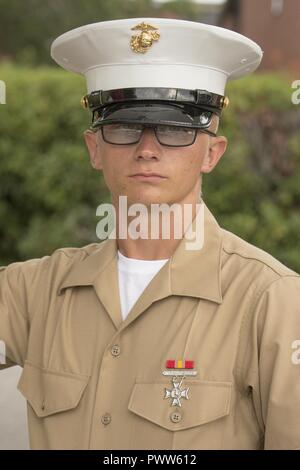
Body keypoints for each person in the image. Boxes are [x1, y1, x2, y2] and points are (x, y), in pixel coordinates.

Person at [0, 17, 299, 450]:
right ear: (94, 149)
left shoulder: (271, 301)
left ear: (212, 153)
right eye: (123, 127)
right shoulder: (35, 292)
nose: (146, 148)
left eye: (175, 130)